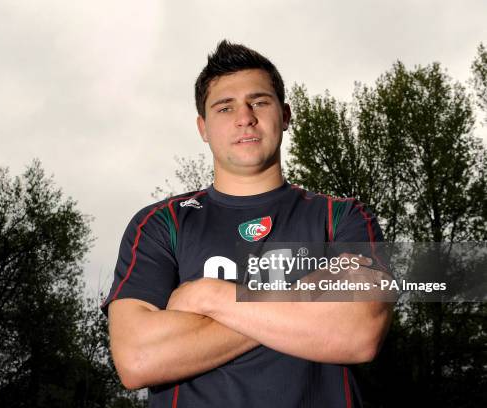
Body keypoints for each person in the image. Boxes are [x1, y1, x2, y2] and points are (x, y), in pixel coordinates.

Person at [101, 40, 393, 408]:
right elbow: (137, 359)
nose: (245, 117)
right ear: (203, 127)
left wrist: (212, 296)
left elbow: (357, 332)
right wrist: (305, 295)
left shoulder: (344, 218)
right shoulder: (161, 225)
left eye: (259, 102)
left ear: (285, 115)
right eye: (225, 107)